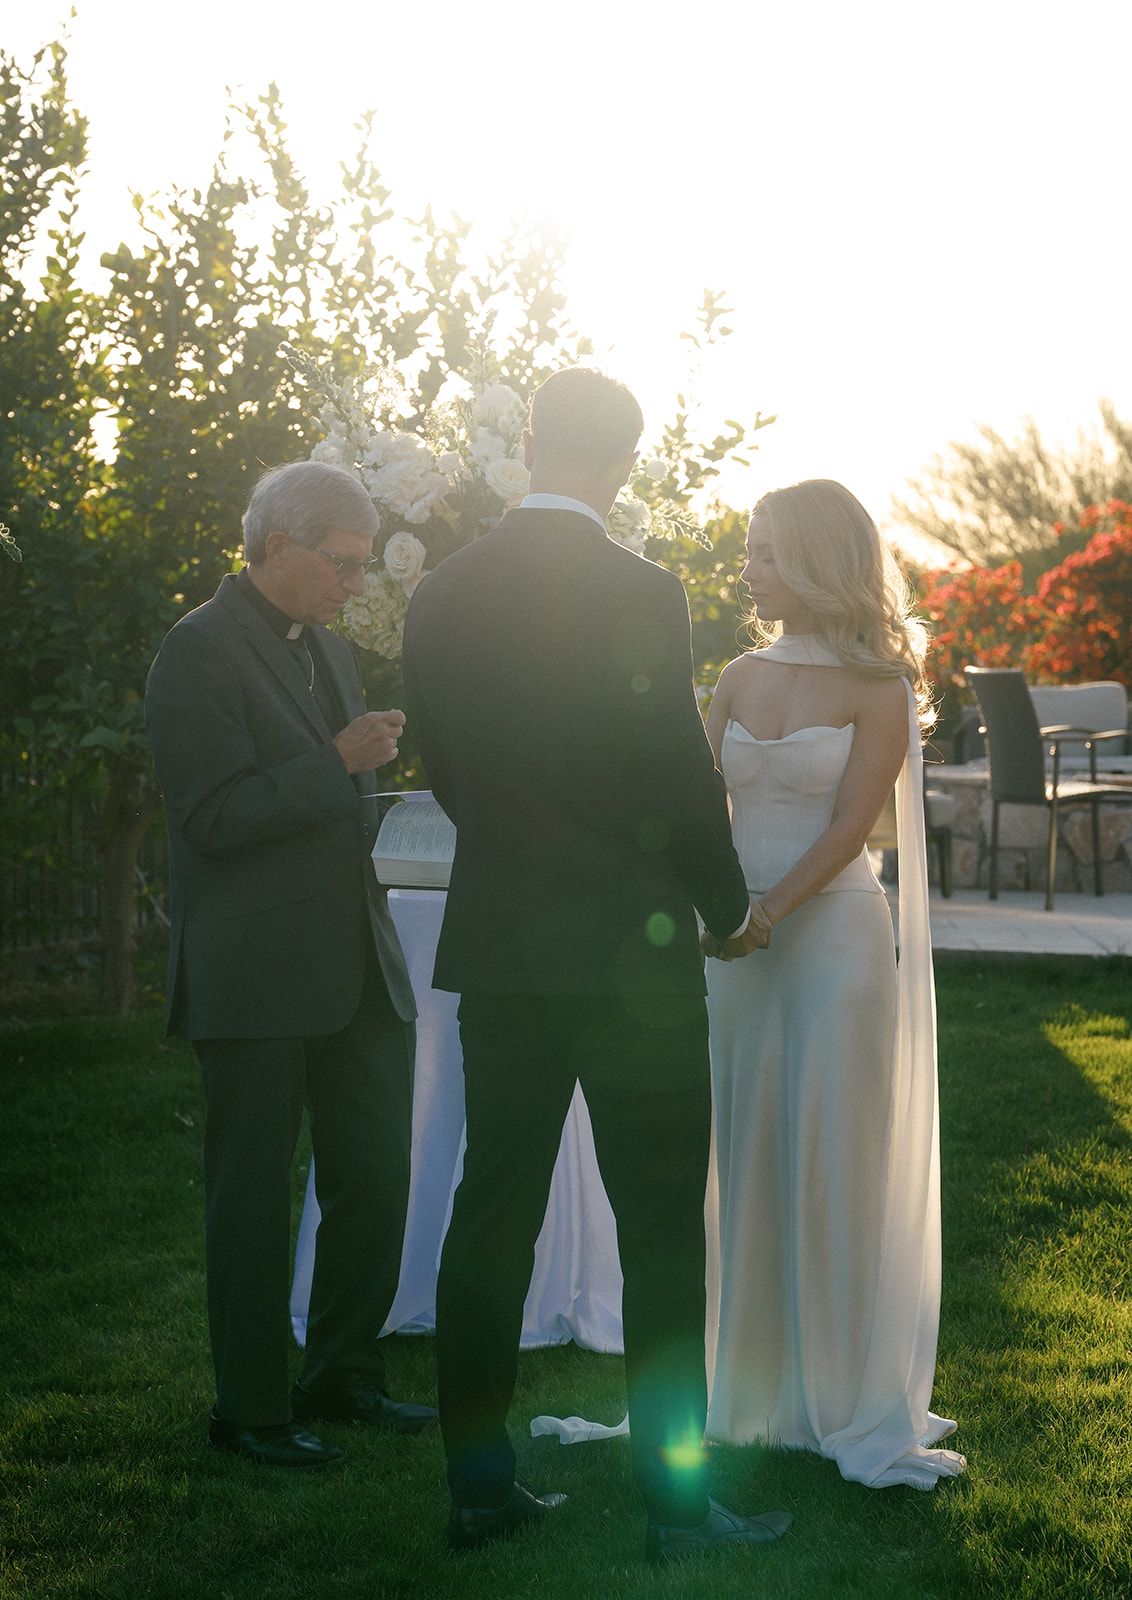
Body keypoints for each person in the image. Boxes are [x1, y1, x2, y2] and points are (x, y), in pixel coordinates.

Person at [401, 366, 791, 1562]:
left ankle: (478, 1489)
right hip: (634, 955)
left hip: (506, 950)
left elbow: (444, 763)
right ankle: (675, 1510)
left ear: (527, 445)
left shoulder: (442, 590)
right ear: (620, 460)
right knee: (662, 1225)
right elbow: (674, 769)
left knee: (490, 1214)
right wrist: (727, 907)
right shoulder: (640, 587)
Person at [145, 460, 436, 1469]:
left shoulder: (332, 650)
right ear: (277, 546)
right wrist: (340, 763)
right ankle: (251, 1409)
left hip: (354, 960)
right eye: (344, 565)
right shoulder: (195, 650)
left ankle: (345, 1375)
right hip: (253, 968)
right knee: (254, 1194)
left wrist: (371, 780)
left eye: (362, 568)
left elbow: (326, 801)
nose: (357, 585)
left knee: (373, 1175)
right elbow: (214, 816)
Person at [702, 478, 967, 1489]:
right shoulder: (734, 673)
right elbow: (700, 804)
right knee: (748, 1140)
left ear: (813, 560)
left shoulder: (879, 683)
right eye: (750, 550)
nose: (749, 568)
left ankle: (843, 1393)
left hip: (831, 943)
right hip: (733, 948)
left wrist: (762, 914)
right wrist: (716, 912)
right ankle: (751, 1389)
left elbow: (851, 828)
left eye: (765, 552)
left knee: (833, 1149)